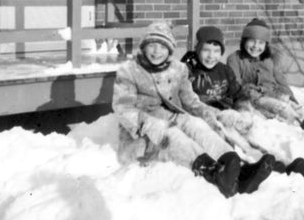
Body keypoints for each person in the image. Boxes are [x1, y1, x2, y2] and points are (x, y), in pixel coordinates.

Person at [112, 21, 285, 198]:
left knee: (196, 124)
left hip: (172, 116)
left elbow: (191, 102)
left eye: (163, 47)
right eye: (152, 46)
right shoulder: (129, 71)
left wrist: (212, 116)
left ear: (170, 49)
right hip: (145, 131)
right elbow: (122, 107)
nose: (157, 52)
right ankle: (212, 172)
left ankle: (237, 167)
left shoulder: (177, 69)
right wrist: (147, 123)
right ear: (144, 46)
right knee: (172, 133)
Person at [182, 25, 304, 178]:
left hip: (228, 114)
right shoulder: (189, 72)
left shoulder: (223, 71)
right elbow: (185, 100)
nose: (211, 56)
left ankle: (278, 163)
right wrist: (216, 114)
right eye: (206, 50)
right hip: (208, 119)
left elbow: (238, 93)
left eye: (216, 51)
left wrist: (243, 109)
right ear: (197, 49)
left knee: (251, 135)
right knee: (233, 141)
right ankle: (246, 168)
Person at [227, 18, 304, 149]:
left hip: (274, 93)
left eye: (261, 42)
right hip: (253, 98)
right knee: (283, 109)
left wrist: (291, 97)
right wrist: (253, 91)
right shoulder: (235, 59)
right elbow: (235, 85)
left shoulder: (269, 59)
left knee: (296, 109)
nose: (256, 46)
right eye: (252, 41)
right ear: (244, 41)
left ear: (266, 45)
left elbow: (280, 80)